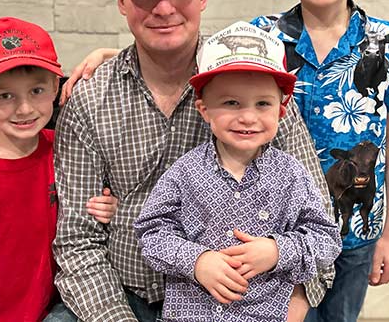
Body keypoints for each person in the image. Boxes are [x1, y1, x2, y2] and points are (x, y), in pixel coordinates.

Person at [51, 0, 334, 322]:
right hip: (123, 292)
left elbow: (318, 216)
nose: (163, 7)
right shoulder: (90, 100)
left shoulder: (252, 89)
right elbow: (78, 242)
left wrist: (293, 304)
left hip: (243, 304)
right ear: (122, 0)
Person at [250, 0, 389, 322]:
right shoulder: (261, 39)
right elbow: (195, 63)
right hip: (280, 232)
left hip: (356, 233)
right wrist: (108, 53)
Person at [134, 21, 342, 321]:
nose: (247, 117)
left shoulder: (292, 175)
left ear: (280, 111)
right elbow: (151, 232)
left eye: (262, 104)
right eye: (231, 103)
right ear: (204, 109)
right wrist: (197, 261)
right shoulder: (184, 172)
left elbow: (326, 239)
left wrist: (277, 251)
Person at [0, 17, 117, 322]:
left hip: (59, 310)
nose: (25, 108)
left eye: (37, 91)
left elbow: (89, 207)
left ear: (56, 86)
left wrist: (107, 204)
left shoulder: (66, 147)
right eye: (5, 96)